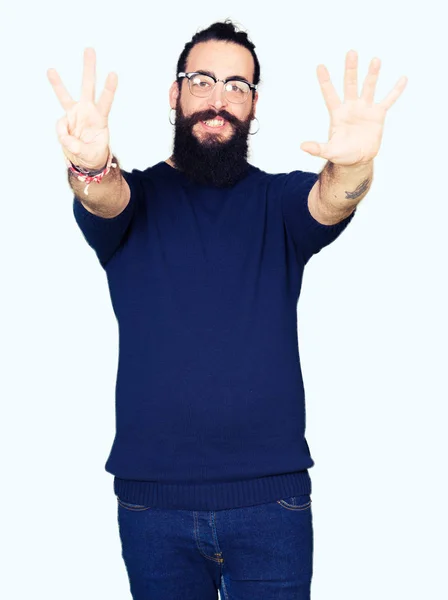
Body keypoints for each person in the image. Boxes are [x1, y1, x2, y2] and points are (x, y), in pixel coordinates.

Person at [47, 19, 407, 600]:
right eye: (203, 80)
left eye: (237, 86)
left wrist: (356, 167)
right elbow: (103, 197)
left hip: (271, 503)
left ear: (254, 104)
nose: (219, 100)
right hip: (153, 505)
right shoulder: (133, 201)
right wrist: (91, 165)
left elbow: (330, 199)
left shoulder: (279, 202)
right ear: (175, 92)